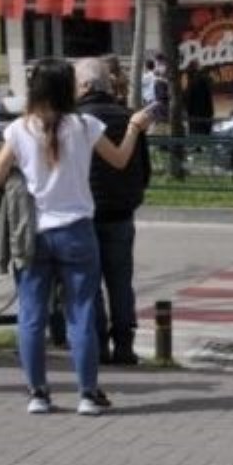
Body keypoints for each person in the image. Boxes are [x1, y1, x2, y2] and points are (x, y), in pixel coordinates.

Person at [0, 59, 155, 416]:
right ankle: (88, 393)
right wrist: (136, 127)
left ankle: (38, 394)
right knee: (81, 312)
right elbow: (121, 160)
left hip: (34, 234)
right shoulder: (84, 125)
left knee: (31, 314)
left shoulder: (19, 129)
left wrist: (0, 192)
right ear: (67, 89)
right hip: (77, 231)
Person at [75, 57, 152, 366]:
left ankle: (98, 345)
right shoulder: (130, 118)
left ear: (84, 85)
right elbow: (143, 169)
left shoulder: (75, 120)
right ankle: (125, 345)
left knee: (88, 282)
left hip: (84, 213)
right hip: (121, 213)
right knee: (121, 281)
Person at [184, 61, 214, 138]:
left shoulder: (193, 82)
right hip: (205, 112)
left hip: (196, 114)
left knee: (198, 134)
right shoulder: (204, 78)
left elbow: (188, 99)